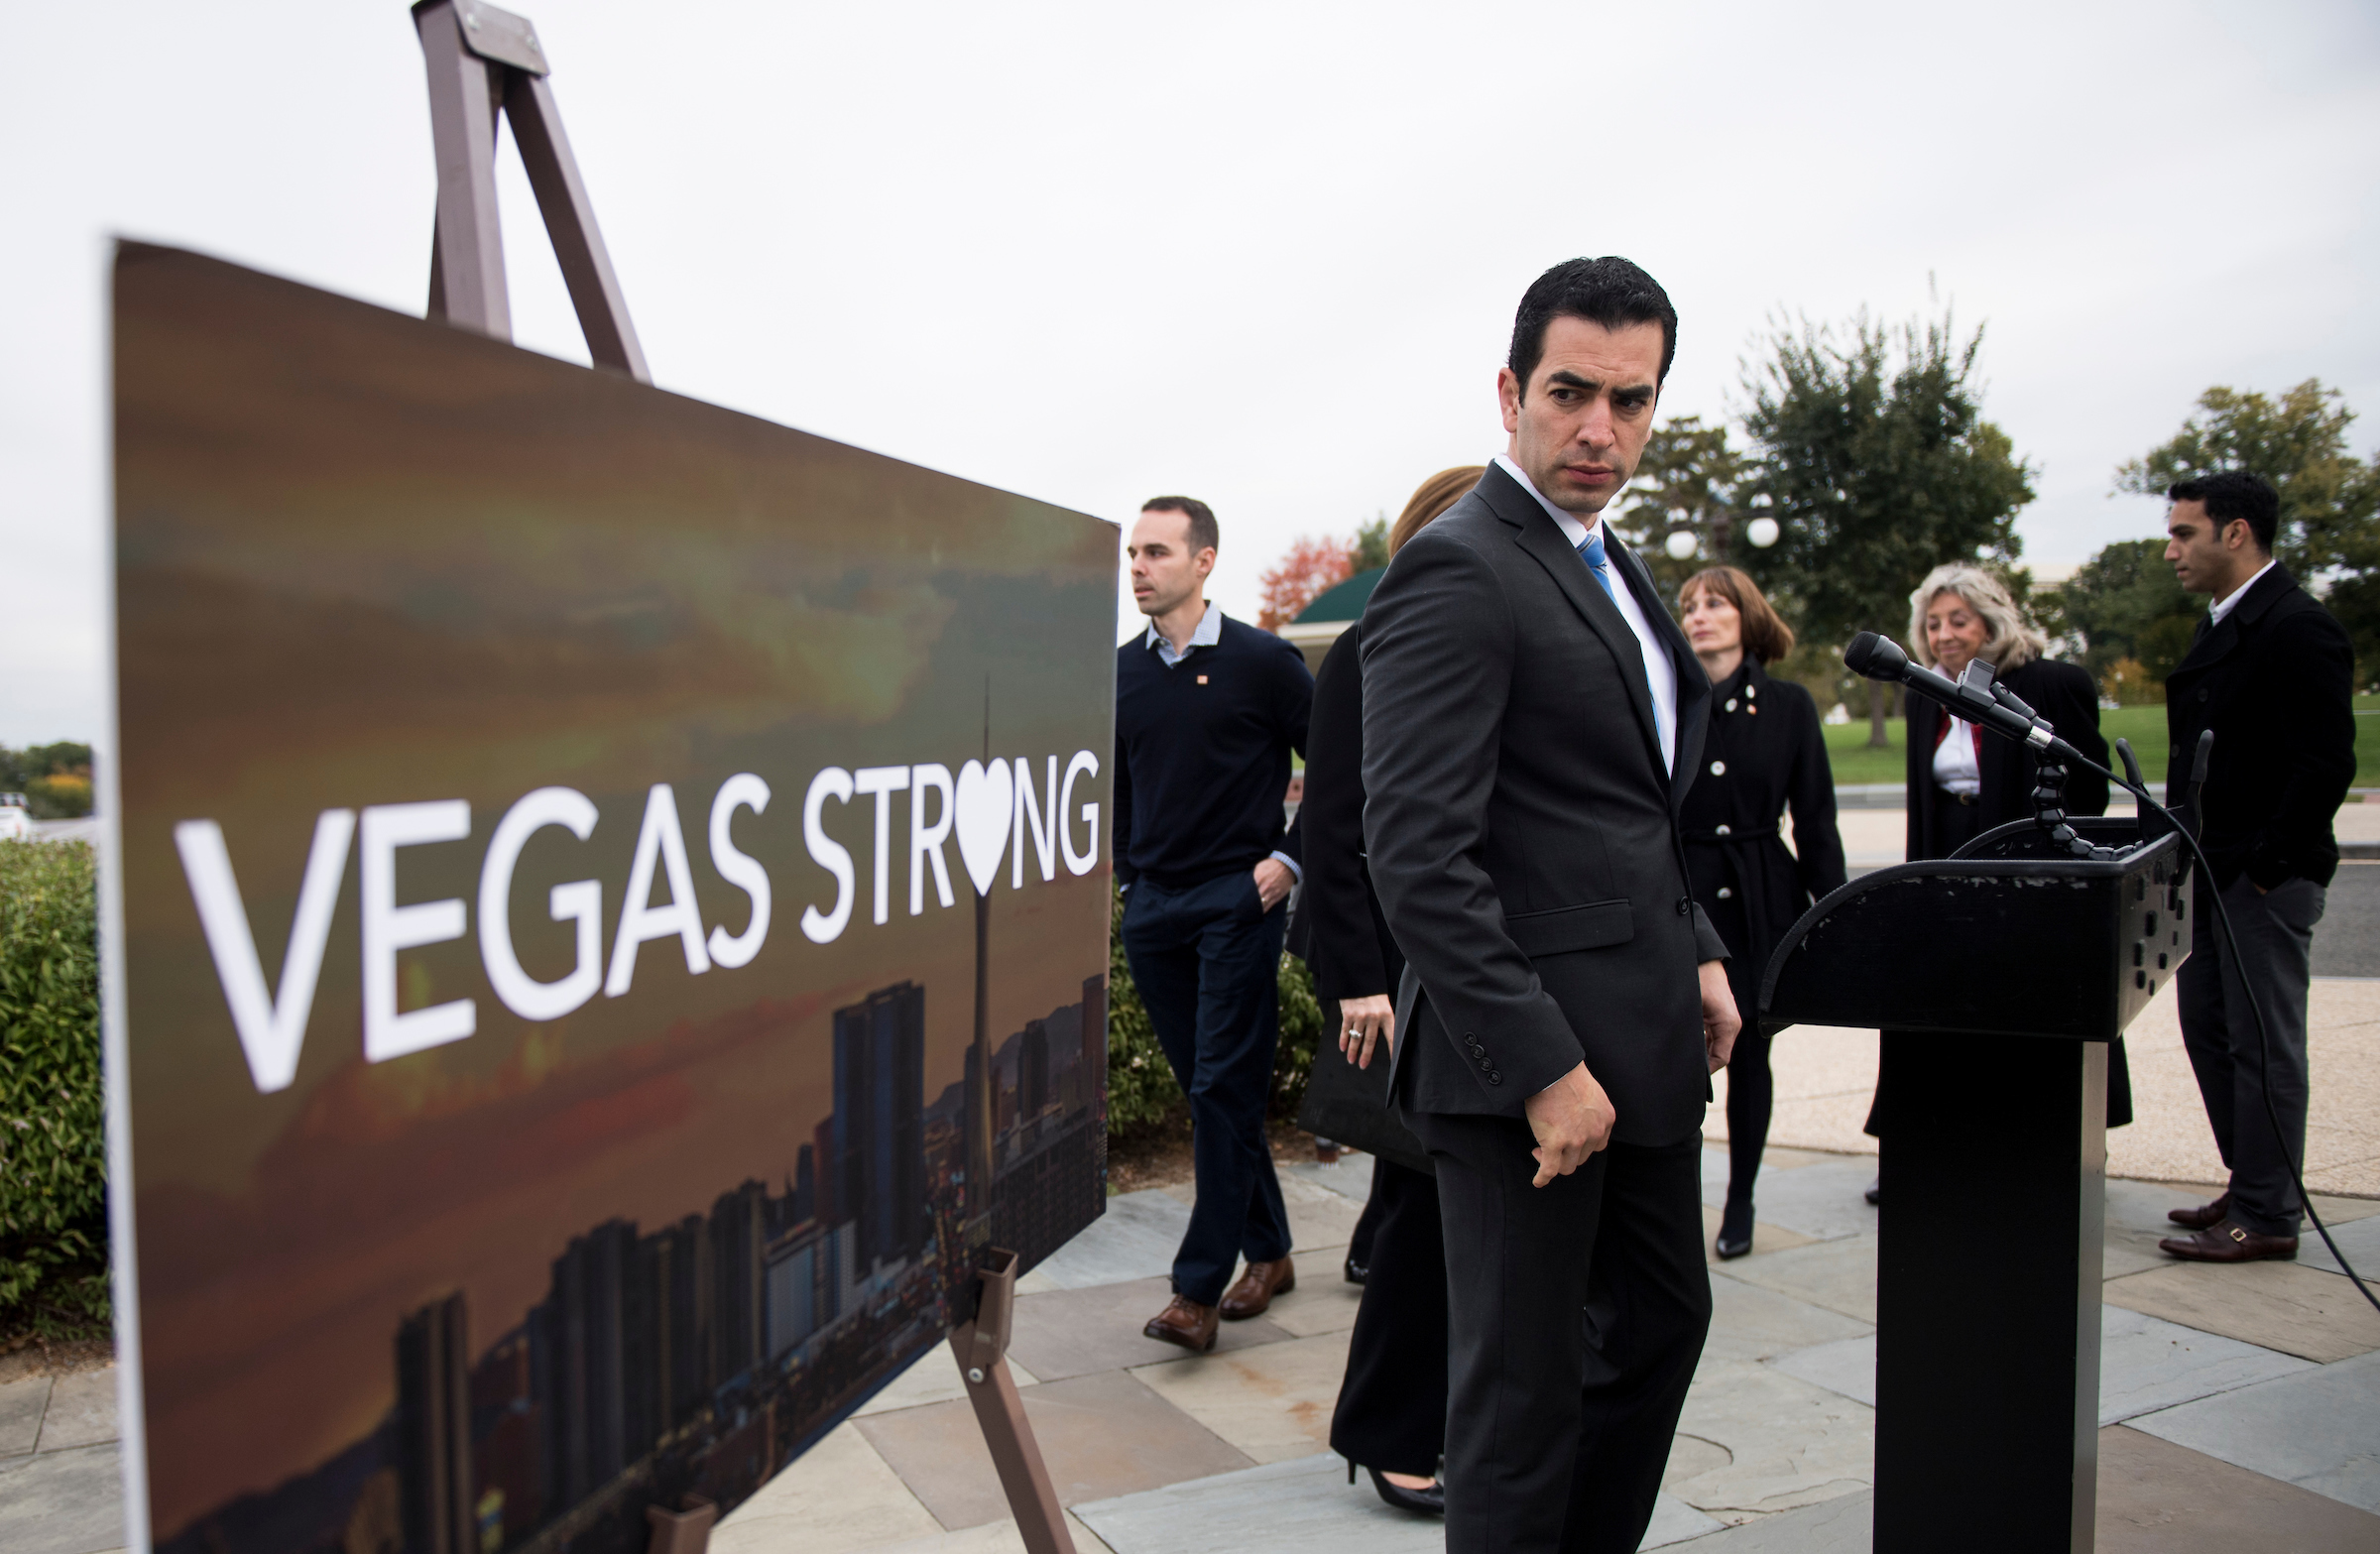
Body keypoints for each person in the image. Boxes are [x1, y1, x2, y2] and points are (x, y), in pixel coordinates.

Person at [1361, 257, 1737, 1554]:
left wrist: (1694, 946)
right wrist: (1543, 1066)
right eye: (1572, 391)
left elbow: (1620, 805)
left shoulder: (1612, 563)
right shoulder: (1462, 567)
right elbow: (1417, 852)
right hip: (1527, 1075)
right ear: (1513, 389)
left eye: (1631, 400)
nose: (1600, 428)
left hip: (1639, 1039)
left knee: (1658, 1325)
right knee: (1522, 1405)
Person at [1297, 463, 1484, 1516]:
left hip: (1489, 963)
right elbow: (1333, 828)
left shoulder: (1484, 640)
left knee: (1452, 1212)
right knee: (1423, 1206)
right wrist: (1358, 981)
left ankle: (1446, 1418)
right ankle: (1389, 1432)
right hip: (1410, 972)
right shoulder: (1373, 646)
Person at [1113, 496, 1314, 1351]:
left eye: (1155, 551)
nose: (1137, 568)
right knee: (1214, 1089)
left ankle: (1194, 1290)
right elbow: (1115, 788)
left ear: (1204, 561)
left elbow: (1345, 768)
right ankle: (1270, 1248)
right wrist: (1128, 877)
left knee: (1218, 1087)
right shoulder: (1122, 671)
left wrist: (1290, 858)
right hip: (1154, 908)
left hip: (1240, 899)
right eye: (1131, 553)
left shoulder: (1265, 662)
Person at [1861, 562, 2121, 1198]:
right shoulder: (1927, 690)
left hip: (2027, 864)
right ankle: (1931, 1147)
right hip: (1948, 856)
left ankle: (2048, 1155)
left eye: (1959, 621)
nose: (1944, 635)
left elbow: (2089, 786)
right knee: (1939, 1004)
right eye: (1933, 623)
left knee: (2026, 1007)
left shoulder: (2051, 683)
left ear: (1992, 621)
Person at [2155, 471, 2356, 1263]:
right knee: (2209, 1027)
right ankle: (2252, 1183)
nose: (2171, 549)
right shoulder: (2227, 620)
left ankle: (2269, 1213)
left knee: (2265, 1044)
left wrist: (2266, 865)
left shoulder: (2298, 626)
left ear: (2236, 533)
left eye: (2184, 533)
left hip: (2259, 876)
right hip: (2212, 870)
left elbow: (2323, 763)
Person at [1675, 568, 1844, 1259]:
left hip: (1759, 898)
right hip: (1681, 894)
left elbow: (1817, 821)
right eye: (1688, 605)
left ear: (1748, 615)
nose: (1699, 615)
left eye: (1715, 603)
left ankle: (1739, 1196)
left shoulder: (1789, 705)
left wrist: (1831, 920)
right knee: (1671, 1054)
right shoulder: (1667, 701)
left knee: (1750, 1054)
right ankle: (1673, 1199)